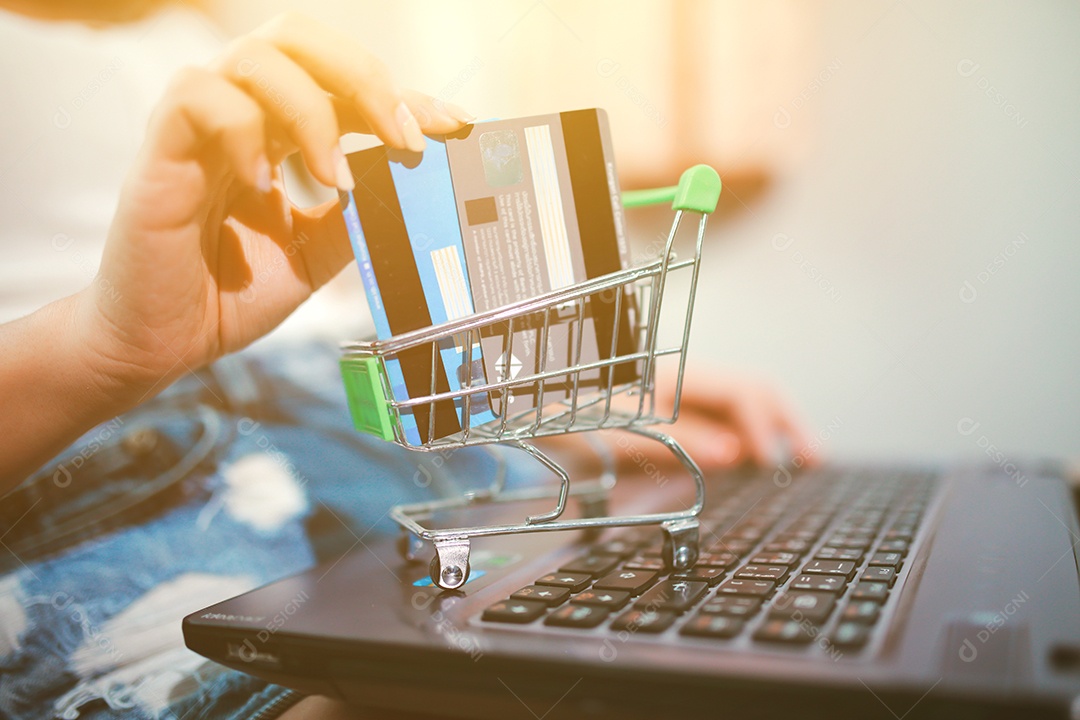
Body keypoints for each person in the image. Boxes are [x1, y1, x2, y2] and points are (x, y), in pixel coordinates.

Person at [0, 5, 815, 719]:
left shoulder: (191, 31)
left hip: (373, 407)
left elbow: (309, 291)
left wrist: (548, 387)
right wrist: (99, 353)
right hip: (120, 456)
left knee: (740, 599)